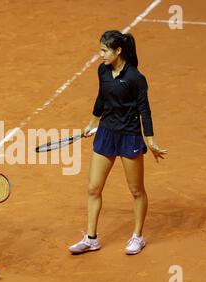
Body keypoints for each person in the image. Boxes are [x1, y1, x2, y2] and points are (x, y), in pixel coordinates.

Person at [69, 30, 167, 255]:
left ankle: (138, 236)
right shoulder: (103, 70)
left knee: (136, 190)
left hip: (129, 136)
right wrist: (92, 122)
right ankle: (91, 238)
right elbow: (101, 98)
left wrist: (150, 140)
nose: (100, 54)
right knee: (93, 187)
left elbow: (145, 110)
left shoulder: (135, 78)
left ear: (118, 51)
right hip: (106, 132)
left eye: (104, 50)